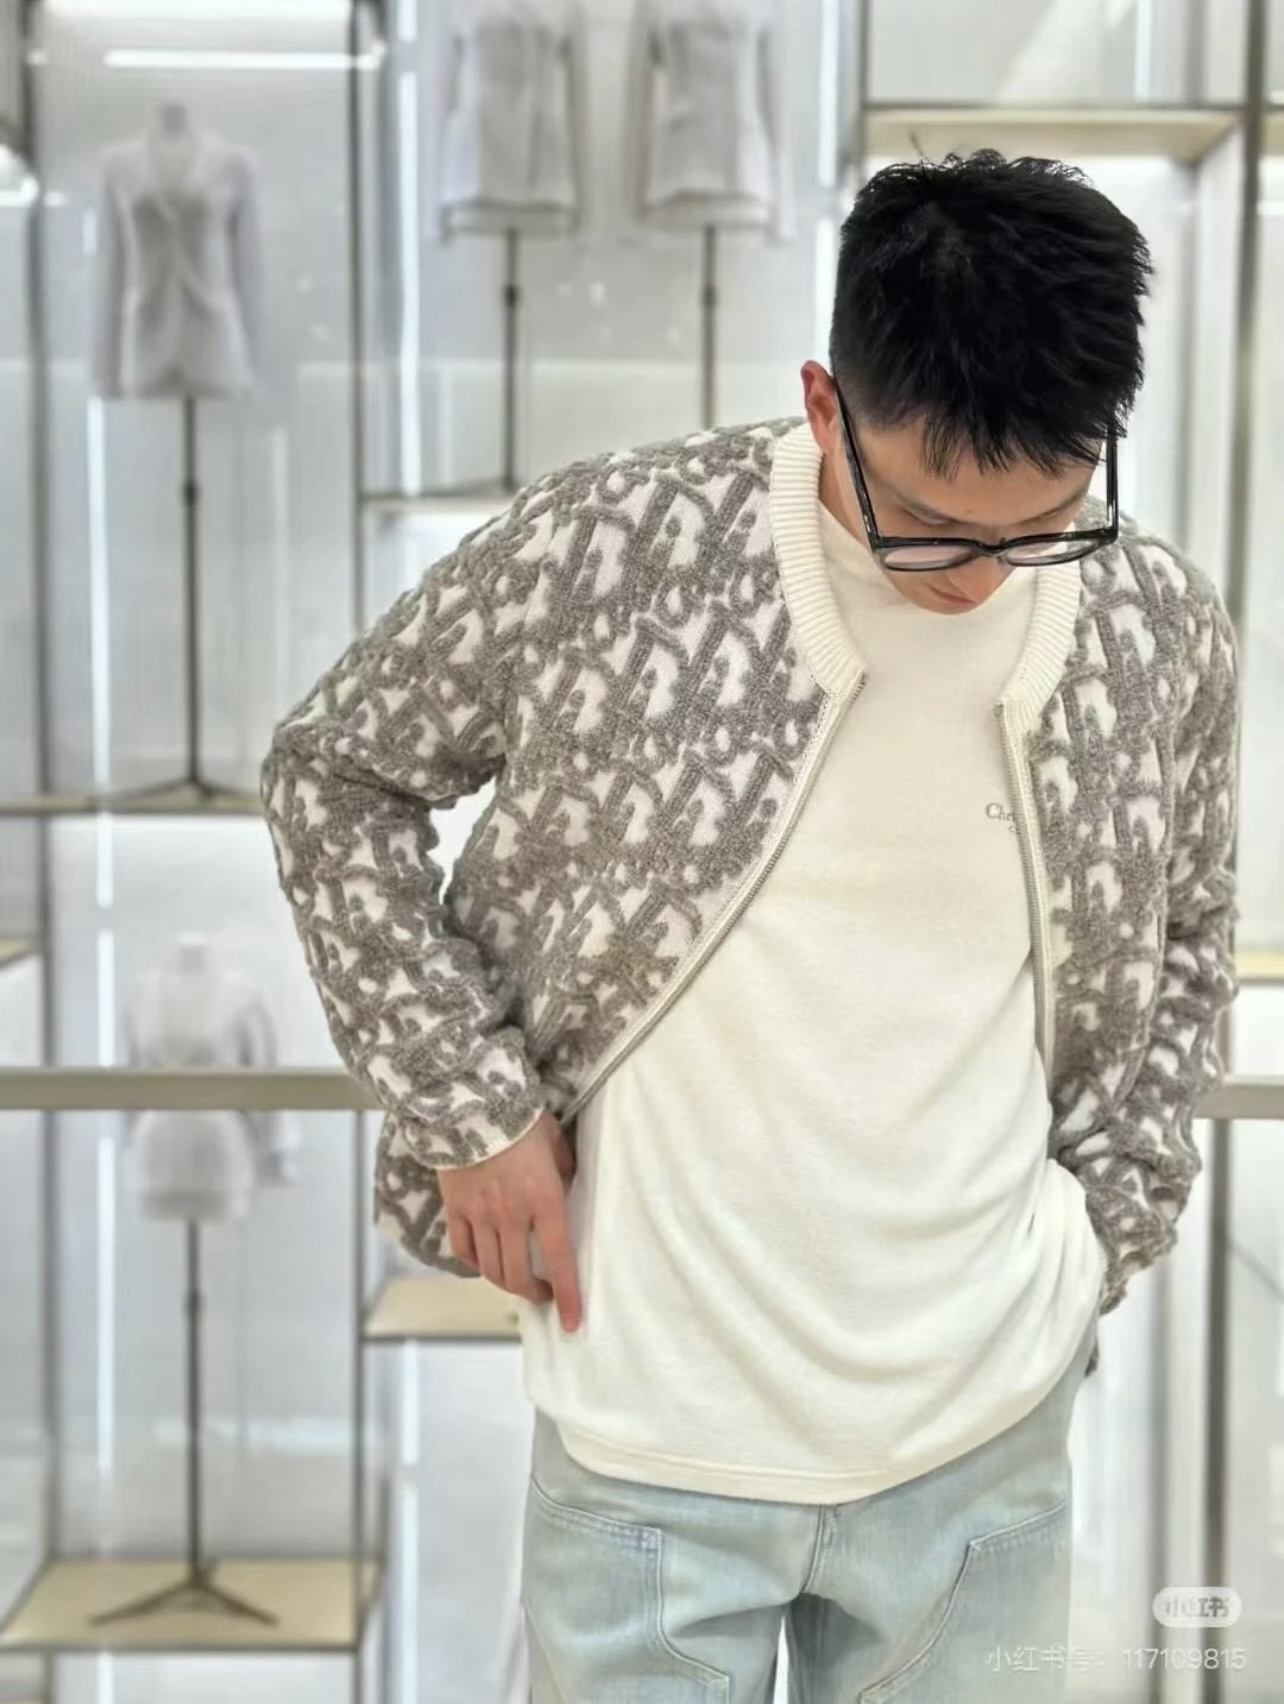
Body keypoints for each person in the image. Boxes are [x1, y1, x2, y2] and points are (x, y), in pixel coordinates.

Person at [261, 151, 1240, 1701]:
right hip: (652, 1437)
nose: (984, 579)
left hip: (984, 1437)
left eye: (1044, 523)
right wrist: (467, 1102)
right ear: (821, 403)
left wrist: (1106, 1230)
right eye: (932, 529)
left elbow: (1189, 926)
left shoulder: (1153, 624)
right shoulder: (617, 548)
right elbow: (336, 772)